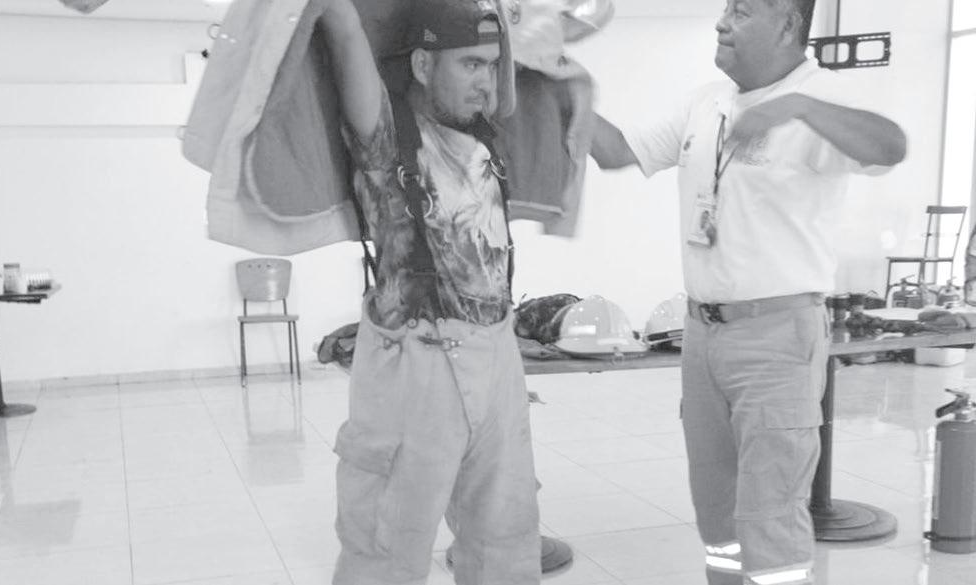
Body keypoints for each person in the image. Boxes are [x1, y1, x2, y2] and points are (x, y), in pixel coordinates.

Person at [589, 1, 907, 584]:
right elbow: (615, 151)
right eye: (726, 9)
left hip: (777, 338)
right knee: (718, 515)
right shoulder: (706, 102)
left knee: (770, 515)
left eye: (741, 11)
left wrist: (797, 107)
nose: (722, 22)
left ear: (788, 25)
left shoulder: (820, 96)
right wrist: (559, 83)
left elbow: (890, 146)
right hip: (702, 335)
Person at [317, 1, 541, 584]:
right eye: (470, 64)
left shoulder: (486, 140)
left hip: (497, 358)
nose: (486, 82)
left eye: (491, 66)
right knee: (385, 549)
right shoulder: (388, 138)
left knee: (507, 541)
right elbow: (344, 28)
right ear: (421, 65)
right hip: (414, 367)